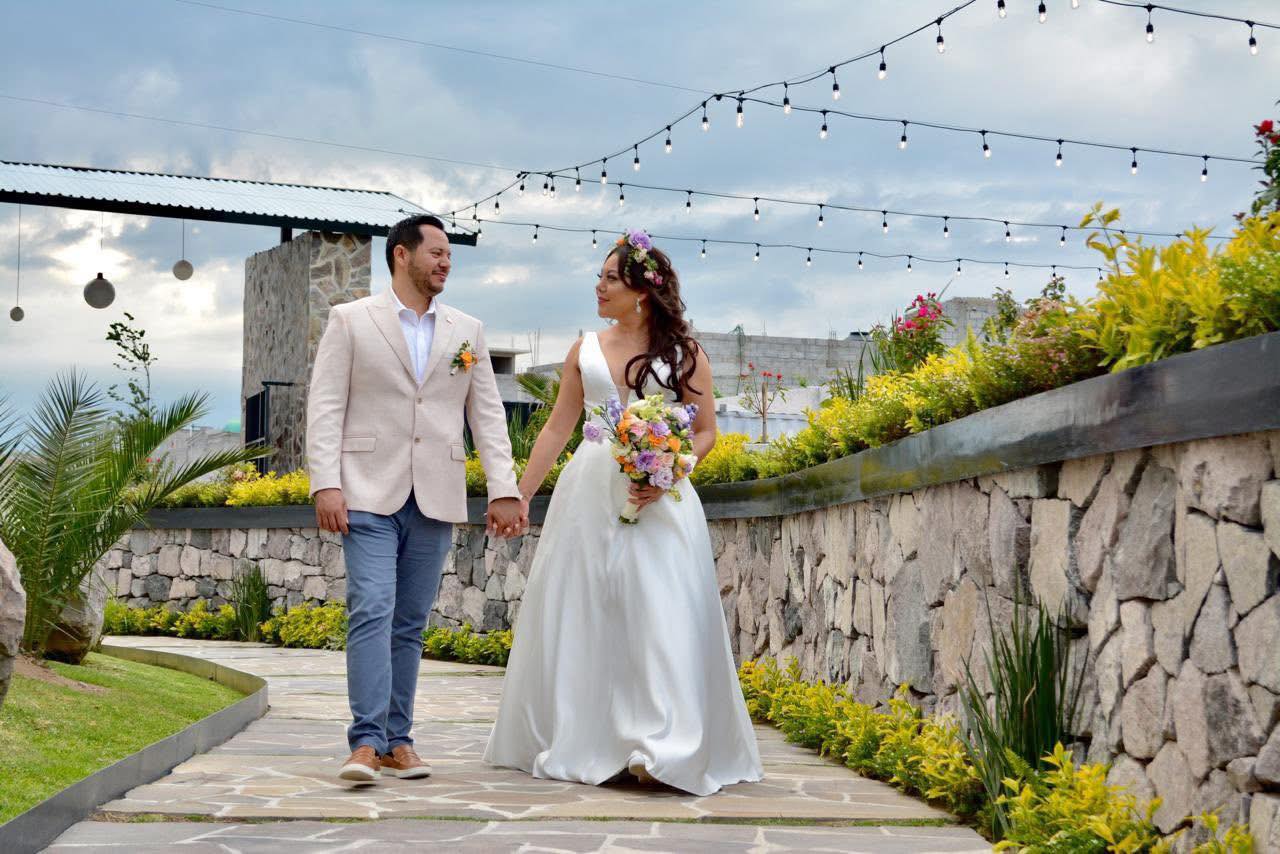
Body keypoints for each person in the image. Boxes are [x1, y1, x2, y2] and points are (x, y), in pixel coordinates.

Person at [484, 230, 763, 796]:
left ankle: (663, 744)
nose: (599, 286)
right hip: (589, 494)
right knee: (591, 607)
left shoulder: (686, 353)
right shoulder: (584, 348)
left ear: (641, 290)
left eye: (610, 278)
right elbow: (558, 428)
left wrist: (669, 470)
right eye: (601, 277)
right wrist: (520, 494)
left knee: (661, 610)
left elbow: (705, 431)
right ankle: (596, 737)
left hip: (661, 500)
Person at [306, 214, 527, 784]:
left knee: (409, 623)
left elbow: (487, 417)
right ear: (402, 255)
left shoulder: (467, 330)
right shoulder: (351, 320)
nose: (446, 261)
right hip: (365, 491)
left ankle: (397, 741)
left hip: (436, 493)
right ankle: (364, 742)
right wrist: (324, 482)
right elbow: (326, 405)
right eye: (436, 252)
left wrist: (503, 488)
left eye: (450, 254)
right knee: (371, 610)